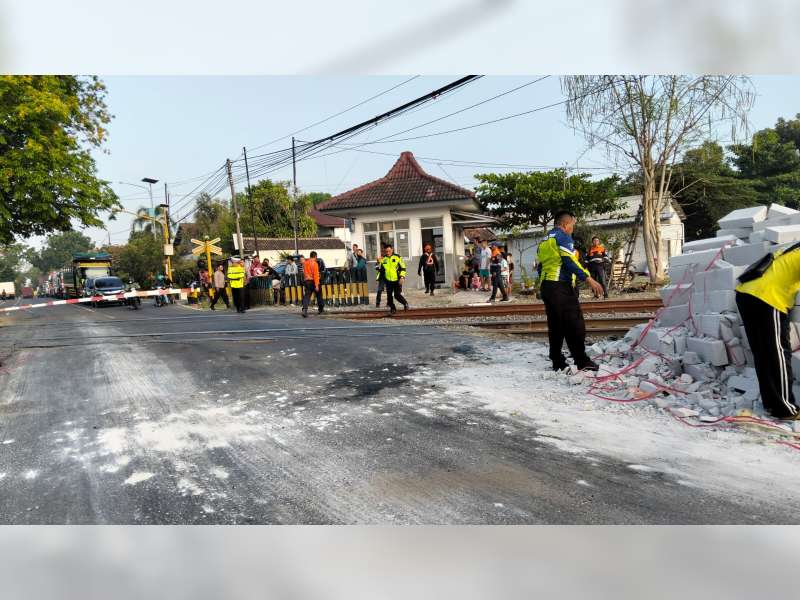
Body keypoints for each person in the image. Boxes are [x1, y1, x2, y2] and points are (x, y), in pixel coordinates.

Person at [735, 242, 800, 421]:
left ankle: (772, 405)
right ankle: (785, 409)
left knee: (764, 354)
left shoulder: (794, 248)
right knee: (777, 353)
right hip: (767, 297)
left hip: (746, 293)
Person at [537, 210, 605, 372]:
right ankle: (582, 361)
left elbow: (540, 266)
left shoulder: (545, 239)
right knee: (575, 324)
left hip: (547, 286)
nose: (572, 228)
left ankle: (557, 361)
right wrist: (589, 279)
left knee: (556, 325)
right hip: (560, 287)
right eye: (572, 225)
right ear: (565, 224)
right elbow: (569, 262)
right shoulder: (563, 237)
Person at [378, 243, 408, 314]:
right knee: (389, 296)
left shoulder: (397, 257)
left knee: (397, 295)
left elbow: (403, 268)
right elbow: (380, 269)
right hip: (388, 280)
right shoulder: (383, 259)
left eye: (389, 251)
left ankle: (405, 303)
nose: (388, 253)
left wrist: (402, 277)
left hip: (397, 280)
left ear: (392, 250)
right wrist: (378, 262)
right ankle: (393, 309)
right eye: (386, 251)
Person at [301, 250, 324, 317]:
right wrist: (316, 285)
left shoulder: (305, 263)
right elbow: (316, 275)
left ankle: (304, 309)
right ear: (315, 256)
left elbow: (304, 273)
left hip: (307, 281)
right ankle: (321, 309)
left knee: (307, 296)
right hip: (313, 281)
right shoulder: (315, 264)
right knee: (319, 295)